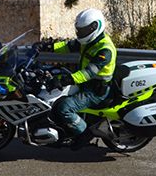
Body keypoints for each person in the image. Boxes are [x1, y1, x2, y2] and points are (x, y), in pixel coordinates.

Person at [36, 8, 116, 150]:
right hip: (85, 84)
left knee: (64, 107)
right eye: (80, 30)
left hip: (95, 91)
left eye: (84, 30)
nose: (81, 33)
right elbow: (68, 46)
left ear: (95, 26)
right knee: (52, 93)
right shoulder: (89, 41)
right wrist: (48, 47)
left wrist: (67, 80)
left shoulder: (105, 50)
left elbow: (88, 73)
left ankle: (84, 134)